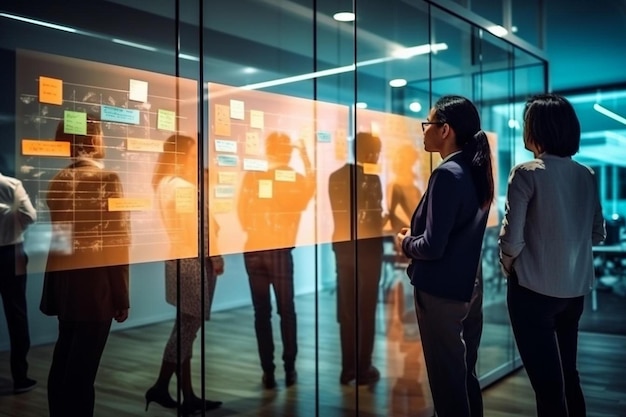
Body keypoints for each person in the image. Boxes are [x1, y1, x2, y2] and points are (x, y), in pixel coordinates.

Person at [498, 94, 606, 417]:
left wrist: (508, 267)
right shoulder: (586, 174)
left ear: (535, 131)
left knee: (547, 389)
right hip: (574, 294)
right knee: (567, 376)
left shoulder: (526, 173)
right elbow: (597, 234)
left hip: (532, 292)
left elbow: (511, 241)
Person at [395, 95, 494, 417]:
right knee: (464, 375)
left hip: (441, 292)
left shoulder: (448, 173)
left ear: (445, 130)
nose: (424, 131)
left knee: (447, 383)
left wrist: (405, 243)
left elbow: (432, 246)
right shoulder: (474, 168)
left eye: (428, 124)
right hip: (468, 286)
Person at [40, 116, 131, 417]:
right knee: (82, 374)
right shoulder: (107, 179)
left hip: (66, 285)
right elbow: (116, 241)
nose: (103, 140)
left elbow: (60, 239)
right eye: (102, 135)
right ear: (92, 141)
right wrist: (121, 297)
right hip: (96, 289)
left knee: (64, 361)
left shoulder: (59, 180)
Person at [146, 135, 223, 415]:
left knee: (185, 329)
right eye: (192, 156)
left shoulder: (164, 184)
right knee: (186, 331)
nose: (195, 161)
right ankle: (160, 385)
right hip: (193, 264)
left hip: (177, 259)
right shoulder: (183, 188)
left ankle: (187, 395)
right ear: (180, 158)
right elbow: (198, 229)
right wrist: (215, 256)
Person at [237, 131, 315, 389]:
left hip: (254, 249)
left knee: (262, 313)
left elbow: (241, 212)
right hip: (279, 250)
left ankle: (267, 372)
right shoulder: (294, 178)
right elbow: (309, 190)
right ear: (288, 152)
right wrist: (304, 155)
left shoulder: (252, 175)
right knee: (287, 311)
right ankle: (289, 368)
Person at [329, 131, 385, 386]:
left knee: (347, 310)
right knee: (367, 308)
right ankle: (363, 367)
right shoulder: (371, 178)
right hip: (368, 250)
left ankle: (346, 367)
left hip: (343, 249)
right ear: (371, 152)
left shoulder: (335, 176)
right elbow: (374, 217)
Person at [0, 171, 37, 394]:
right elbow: (30, 216)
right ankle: (20, 377)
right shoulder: (12, 185)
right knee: (17, 315)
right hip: (12, 252)